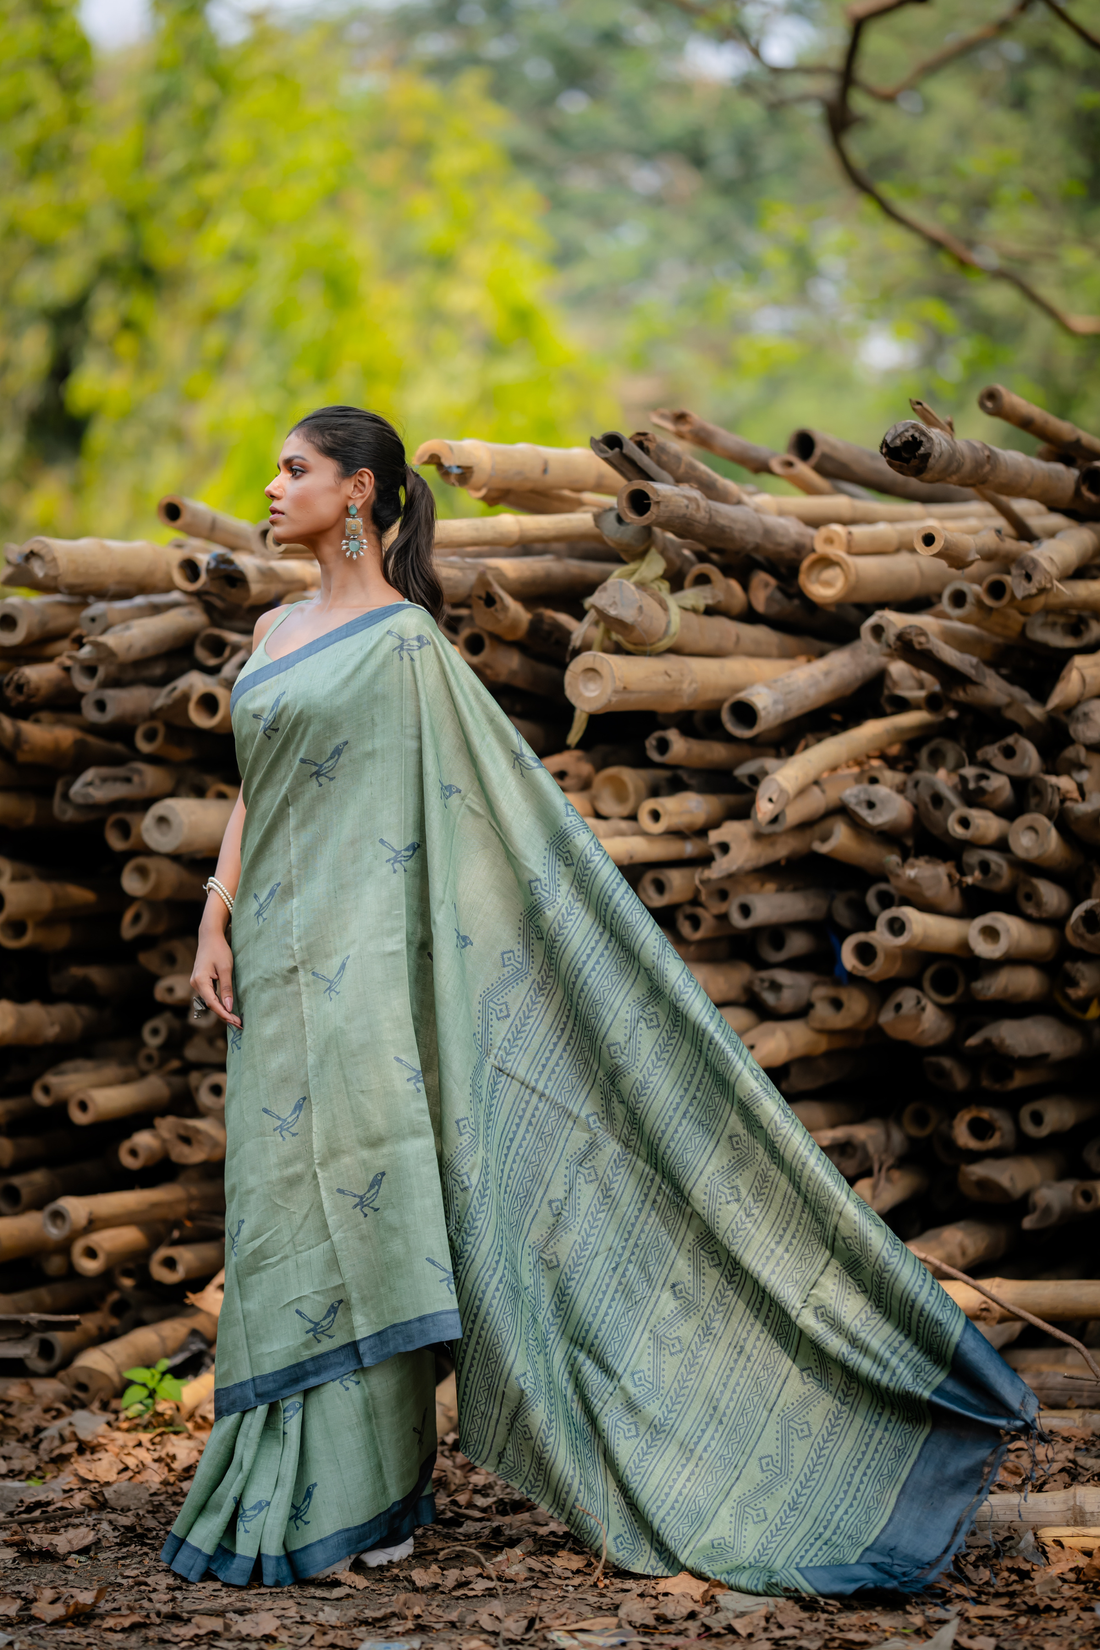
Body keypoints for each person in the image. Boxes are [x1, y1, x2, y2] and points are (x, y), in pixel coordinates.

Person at [165, 405, 1035, 1594]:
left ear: (360, 493)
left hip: (370, 970)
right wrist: (215, 910)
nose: (269, 487)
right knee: (281, 1196)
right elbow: (257, 788)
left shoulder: (406, 646)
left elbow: (472, 810)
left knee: (364, 1194)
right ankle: (282, 1465)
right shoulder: (274, 628)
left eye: (294, 470)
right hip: (272, 953)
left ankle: (367, 1491)